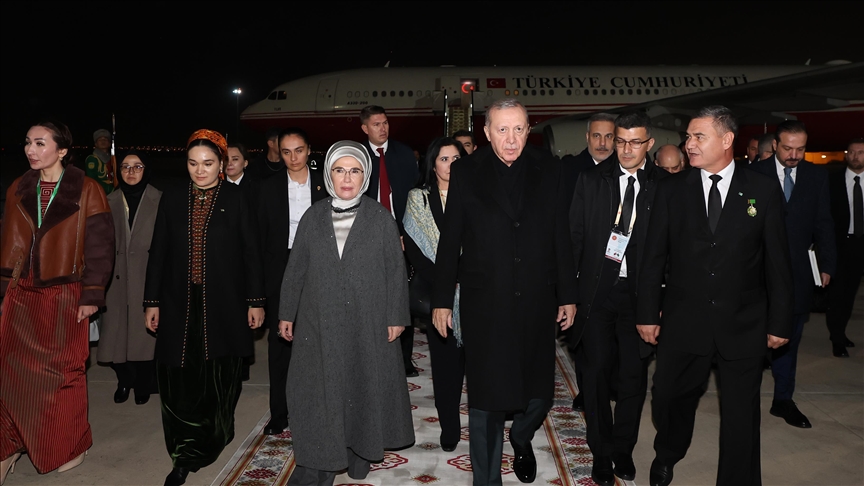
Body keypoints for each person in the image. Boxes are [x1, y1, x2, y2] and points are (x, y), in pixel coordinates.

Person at [636, 106, 794, 486]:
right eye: (688, 137)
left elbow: (777, 261)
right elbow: (653, 256)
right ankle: (669, 451)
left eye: (698, 137)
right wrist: (647, 313)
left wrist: (780, 321)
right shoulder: (671, 189)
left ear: (726, 140)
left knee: (741, 416)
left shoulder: (762, 190)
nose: (688, 144)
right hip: (683, 320)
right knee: (668, 398)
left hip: (743, 322)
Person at [432, 99, 577, 486]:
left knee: (539, 394)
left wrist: (568, 293)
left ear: (528, 130)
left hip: (537, 298)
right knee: (487, 398)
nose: (510, 139)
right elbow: (451, 239)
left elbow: (560, 234)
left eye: (518, 129)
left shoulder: (551, 168)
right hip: (485, 302)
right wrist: (442, 300)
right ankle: (486, 480)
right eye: (502, 130)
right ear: (486, 132)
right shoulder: (466, 171)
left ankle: (522, 435)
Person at [277, 140, 414, 485]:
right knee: (317, 391)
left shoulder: (380, 219)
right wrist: (287, 312)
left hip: (366, 321)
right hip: (317, 320)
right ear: (329, 174)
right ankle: (317, 463)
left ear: (365, 176)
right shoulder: (312, 217)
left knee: (361, 386)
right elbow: (296, 268)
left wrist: (396, 316)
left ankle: (361, 449)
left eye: (355, 170)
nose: (347, 178)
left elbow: (395, 270)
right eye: (340, 170)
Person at [143, 129, 265, 486]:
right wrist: (151, 301)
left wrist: (256, 301)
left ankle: (214, 432)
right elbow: (159, 251)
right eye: (193, 163)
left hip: (224, 303)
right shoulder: (172, 197)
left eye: (208, 163)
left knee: (218, 375)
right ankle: (184, 451)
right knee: (177, 376)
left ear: (221, 164)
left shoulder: (237, 197)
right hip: (177, 302)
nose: (200, 170)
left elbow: (251, 253)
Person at [1, 120, 114, 478]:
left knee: (62, 372)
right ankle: (9, 445)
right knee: (11, 373)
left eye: (40, 143)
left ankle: (68, 444)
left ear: (62, 150)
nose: (30, 149)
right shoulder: (18, 187)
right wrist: (3, 291)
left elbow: (100, 246)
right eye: (27, 142)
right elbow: (9, 242)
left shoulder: (87, 189)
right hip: (21, 292)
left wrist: (92, 293)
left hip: (65, 292)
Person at [569, 111, 667, 485]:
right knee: (595, 373)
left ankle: (623, 449)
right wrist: (569, 294)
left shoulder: (664, 185)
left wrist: (663, 302)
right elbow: (575, 237)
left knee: (632, 377)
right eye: (620, 140)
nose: (625, 149)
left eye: (634, 142)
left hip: (641, 296)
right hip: (598, 293)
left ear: (649, 144)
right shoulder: (592, 180)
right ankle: (601, 451)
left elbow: (673, 249)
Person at [750, 120, 835, 426]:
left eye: (800, 149)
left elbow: (824, 221)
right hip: (756, 273)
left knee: (790, 338)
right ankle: (744, 399)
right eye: (788, 148)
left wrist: (827, 264)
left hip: (798, 271)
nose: (794, 155)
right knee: (751, 338)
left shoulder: (816, 176)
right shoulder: (754, 173)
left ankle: (783, 400)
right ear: (775, 145)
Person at [257, 128, 327, 436]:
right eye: (286, 152)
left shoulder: (326, 184)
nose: (293, 157)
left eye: (299, 150)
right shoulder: (267, 187)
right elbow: (259, 240)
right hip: (280, 270)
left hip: (319, 267)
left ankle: (318, 408)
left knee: (319, 340)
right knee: (280, 343)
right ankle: (279, 412)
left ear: (309, 150)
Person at [403, 137, 467, 452]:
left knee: (480, 366)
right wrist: (447, 283)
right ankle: (449, 427)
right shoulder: (419, 198)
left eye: (456, 159)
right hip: (439, 296)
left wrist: (464, 278)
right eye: (444, 159)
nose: (451, 165)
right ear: (432, 164)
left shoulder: (476, 195)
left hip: (476, 292)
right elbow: (415, 250)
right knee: (445, 367)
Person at [561, 112, 619, 412]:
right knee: (583, 336)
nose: (603, 142)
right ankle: (588, 390)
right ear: (587, 138)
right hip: (581, 268)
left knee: (612, 338)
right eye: (597, 136)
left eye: (609, 136)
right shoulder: (570, 170)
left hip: (616, 268)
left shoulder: (625, 169)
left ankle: (609, 385)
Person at [360, 105, 420, 377]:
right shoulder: (358, 156)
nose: (382, 128)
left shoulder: (404, 154)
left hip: (401, 233)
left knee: (401, 297)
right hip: (366, 234)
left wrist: (408, 233)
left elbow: (414, 196)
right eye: (376, 124)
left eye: (385, 123)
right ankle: (370, 356)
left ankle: (404, 360)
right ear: (365, 128)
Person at [98, 150, 162, 406]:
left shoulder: (160, 200)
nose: (131, 172)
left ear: (146, 170)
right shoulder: (108, 200)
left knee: (143, 338)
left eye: (137, 166)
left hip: (147, 278)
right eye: (125, 166)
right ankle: (124, 380)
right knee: (115, 336)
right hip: (115, 281)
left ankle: (144, 384)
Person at [826, 138, 864, 357]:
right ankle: (837, 337)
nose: (855, 156)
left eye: (860, 152)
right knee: (839, 294)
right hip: (841, 245)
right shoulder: (832, 181)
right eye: (852, 152)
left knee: (852, 294)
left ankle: (841, 332)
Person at [84, 128, 116, 194]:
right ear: (96, 144)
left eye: (105, 139)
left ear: (109, 143)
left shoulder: (112, 159)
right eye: (100, 140)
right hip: (99, 192)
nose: (103, 141)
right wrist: (111, 190)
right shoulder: (92, 159)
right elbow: (92, 179)